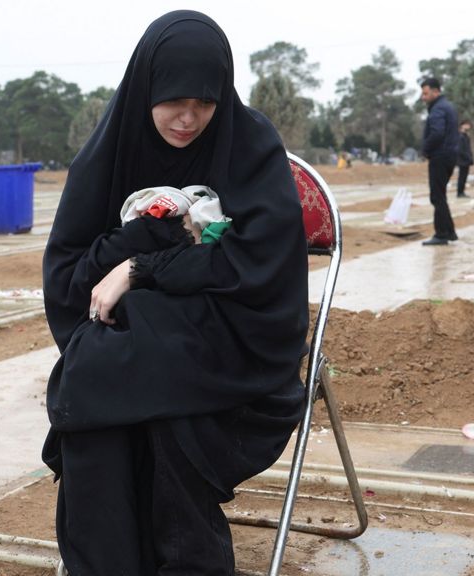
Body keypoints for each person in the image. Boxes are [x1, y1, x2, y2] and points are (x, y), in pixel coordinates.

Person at [42, 11, 307, 574]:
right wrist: (144, 235)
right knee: (107, 378)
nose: (188, 120)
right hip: (141, 346)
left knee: (141, 394)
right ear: (146, 88)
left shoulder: (251, 146)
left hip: (235, 347)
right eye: (174, 101)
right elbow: (70, 283)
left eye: (204, 103)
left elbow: (262, 267)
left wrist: (141, 267)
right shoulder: (110, 153)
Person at [419, 77, 460, 246]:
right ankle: (449, 231)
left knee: (437, 196)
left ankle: (442, 234)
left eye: (426, 93)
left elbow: (437, 133)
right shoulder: (447, 107)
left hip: (440, 156)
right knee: (440, 195)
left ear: (436, 92)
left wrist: (425, 149)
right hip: (449, 155)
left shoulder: (438, 109)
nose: (423, 97)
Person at [456, 120, 474, 198]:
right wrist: (467, 157)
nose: (468, 126)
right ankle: (460, 192)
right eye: (467, 125)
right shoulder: (460, 136)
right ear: (462, 125)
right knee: (462, 176)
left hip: (466, 160)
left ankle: (462, 191)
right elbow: (461, 150)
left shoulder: (466, 136)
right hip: (462, 160)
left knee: (464, 176)